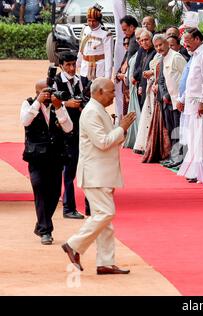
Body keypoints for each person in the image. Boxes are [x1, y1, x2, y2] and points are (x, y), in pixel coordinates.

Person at [61, 78, 136, 274]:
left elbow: (111, 141)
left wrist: (120, 129)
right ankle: (73, 245)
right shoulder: (91, 112)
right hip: (95, 174)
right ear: (99, 92)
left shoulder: (98, 110)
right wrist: (122, 128)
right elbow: (102, 142)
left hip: (102, 173)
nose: (114, 95)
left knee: (105, 223)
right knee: (105, 214)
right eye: (111, 92)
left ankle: (105, 262)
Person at [21, 79, 73, 245]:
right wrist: (38, 102)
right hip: (36, 156)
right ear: (37, 92)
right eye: (45, 92)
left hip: (56, 156)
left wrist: (59, 108)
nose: (49, 95)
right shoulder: (28, 104)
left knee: (54, 194)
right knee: (39, 189)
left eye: (50, 91)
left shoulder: (58, 105)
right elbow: (25, 121)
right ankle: (46, 230)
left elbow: (69, 128)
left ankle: (40, 224)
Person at [54, 51, 89, 219]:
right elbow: (49, 104)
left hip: (83, 130)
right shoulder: (55, 82)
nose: (72, 68)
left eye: (74, 64)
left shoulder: (83, 81)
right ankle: (68, 208)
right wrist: (65, 103)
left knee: (87, 168)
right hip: (64, 133)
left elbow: (90, 99)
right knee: (69, 171)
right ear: (61, 66)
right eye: (68, 65)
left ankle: (90, 207)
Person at [177, 28, 203, 183]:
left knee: (199, 138)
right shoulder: (195, 55)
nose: (186, 44)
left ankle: (200, 172)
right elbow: (190, 81)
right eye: (184, 41)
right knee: (192, 138)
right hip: (190, 102)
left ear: (197, 39)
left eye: (188, 40)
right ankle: (194, 171)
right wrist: (182, 99)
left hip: (199, 104)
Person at [152, 34, 187, 168]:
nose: (159, 48)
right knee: (172, 131)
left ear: (167, 43)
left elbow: (186, 78)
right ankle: (174, 157)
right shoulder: (162, 59)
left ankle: (181, 159)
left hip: (179, 102)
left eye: (161, 44)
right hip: (167, 102)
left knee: (179, 131)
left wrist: (180, 98)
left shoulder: (176, 57)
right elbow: (161, 80)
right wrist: (164, 95)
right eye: (156, 46)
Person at [77, 4, 113, 86]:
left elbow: (109, 57)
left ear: (99, 20)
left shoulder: (106, 33)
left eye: (94, 21)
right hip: (84, 68)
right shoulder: (85, 29)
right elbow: (81, 49)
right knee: (84, 94)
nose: (91, 23)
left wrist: (107, 77)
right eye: (89, 20)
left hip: (98, 70)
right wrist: (77, 64)